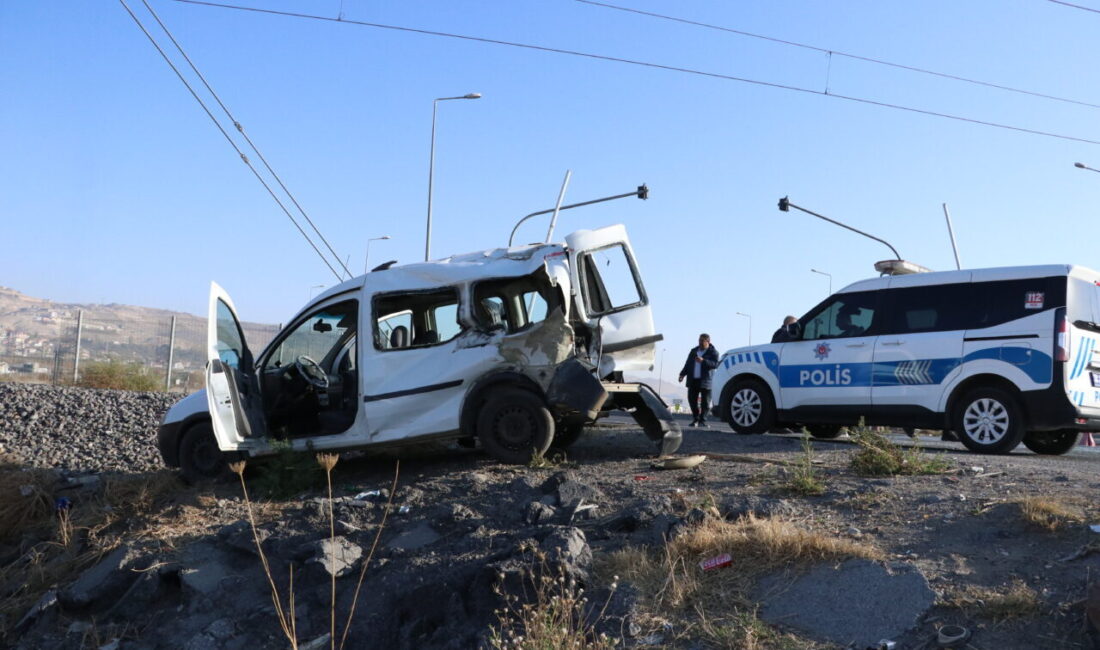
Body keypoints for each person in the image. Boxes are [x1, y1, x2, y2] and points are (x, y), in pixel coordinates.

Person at [678, 333, 720, 427]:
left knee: (705, 403)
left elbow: (716, 364)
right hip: (693, 380)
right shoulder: (694, 351)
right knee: (692, 400)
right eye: (699, 340)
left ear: (708, 342)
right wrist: (682, 374)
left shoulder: (713, 352)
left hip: (706, 381)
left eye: (702, 341)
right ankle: (695, 419)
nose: (700, 343)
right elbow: (688, 363)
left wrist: (703, 361)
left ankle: (702, 421)